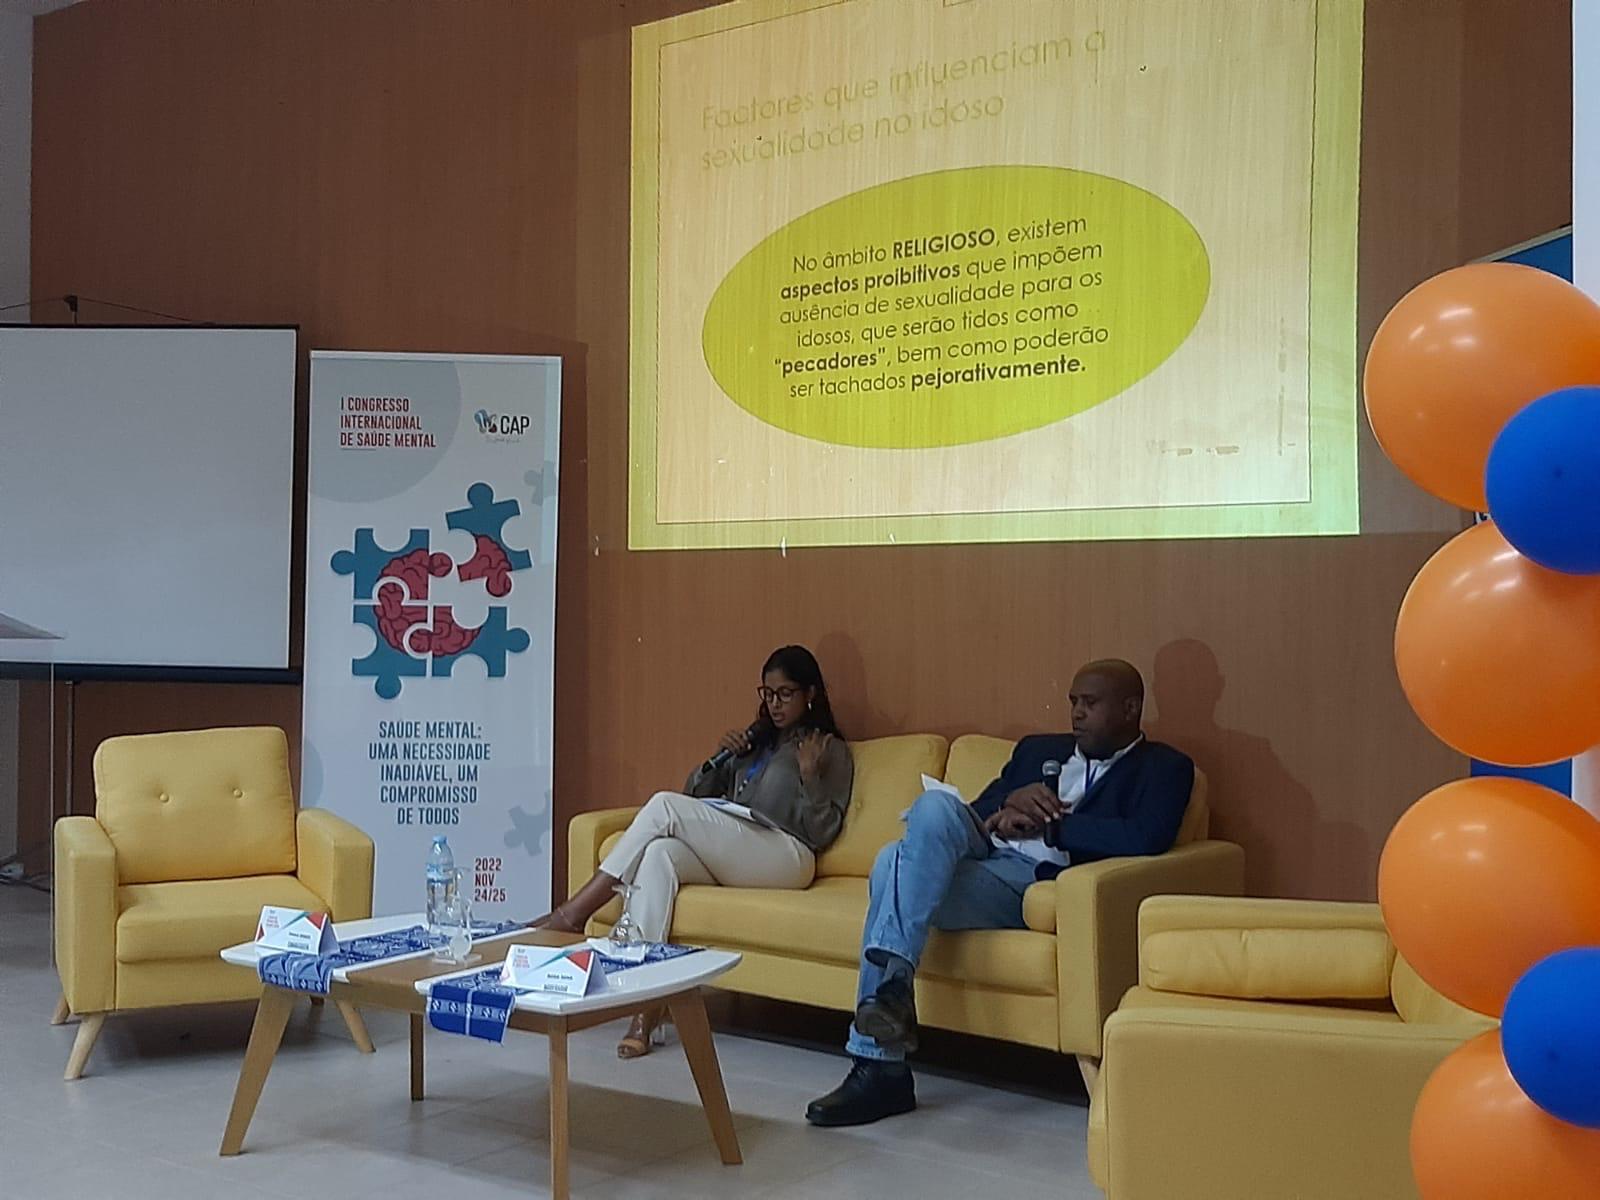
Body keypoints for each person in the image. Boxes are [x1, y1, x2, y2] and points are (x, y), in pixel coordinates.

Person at [805, 658, 1194, 1127]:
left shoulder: (1165, 768)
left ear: (1130, 709)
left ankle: (880, 1063)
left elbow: (1144, 836)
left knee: (891, 863)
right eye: (1073, 702)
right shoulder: (1037, 750)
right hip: (985, 849)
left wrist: (1053, 828)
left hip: (1030, 882)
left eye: (1090, 704)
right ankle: (893, 997)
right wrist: (1005, 808)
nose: (1076, 713)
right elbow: (977, 808)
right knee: (934, 806)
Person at [533, 644, 853, 1058]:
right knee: (660, 854)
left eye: (785, 694)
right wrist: (719, 761)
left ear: (810, 693)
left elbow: (824, 831)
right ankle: (645, 1008)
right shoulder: (757, 743)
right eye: (767, 693)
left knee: (663, 806)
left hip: (789, 855)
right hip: (743, 849)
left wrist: (810, 776)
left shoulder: (829, 748)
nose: (774, 704)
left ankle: (573, 914)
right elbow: (696, 796)